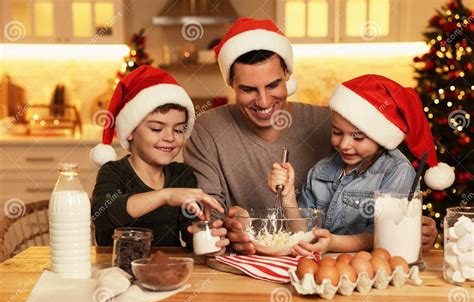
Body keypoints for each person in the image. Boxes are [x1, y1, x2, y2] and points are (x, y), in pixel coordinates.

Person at [183, 18, 439, 254]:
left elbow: (387, 215)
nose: (263, 101)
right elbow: (205, 217)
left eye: (273, 85)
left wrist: (414, 228)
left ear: (288, 76)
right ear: (231, 85)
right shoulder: (207, 130)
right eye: (248, 89)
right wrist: (227, 225)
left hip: (332, 265)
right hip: (253, 265)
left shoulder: (330, 122)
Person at [268, 74, 455, 255]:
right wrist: (288, 196)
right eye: (337, 132)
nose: (344, 145)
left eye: (358, 136)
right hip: (325, 270)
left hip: (373, 270)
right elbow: (302, 233)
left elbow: (385, 234)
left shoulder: (396, 171)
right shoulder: (320, 171)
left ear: (379, 136)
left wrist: (333, 242)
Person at [89, 65, 227, 251]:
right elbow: (103, 214)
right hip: (116, 273)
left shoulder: (182, 175)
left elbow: (190, 231)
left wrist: (207, 239)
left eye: (179, 130)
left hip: (168, 271)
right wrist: (165, 196)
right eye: (156, 128)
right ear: (130, 132)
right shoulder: (114, 172)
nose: (170, 138)